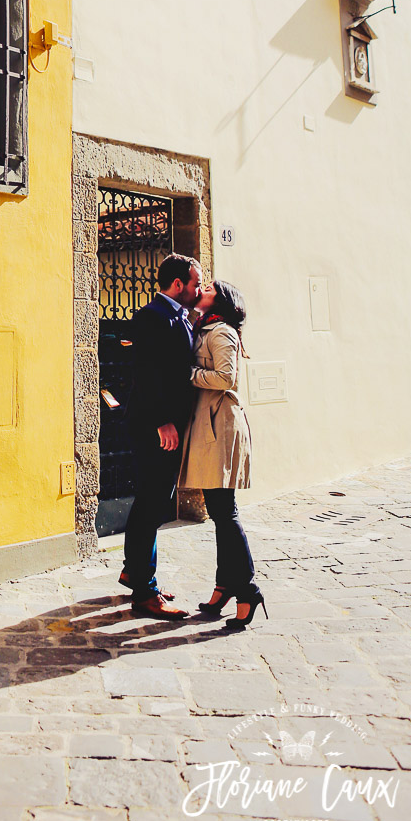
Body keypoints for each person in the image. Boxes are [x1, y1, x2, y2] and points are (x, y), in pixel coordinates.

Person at [180, 279, 266, 630]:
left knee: (224, 510)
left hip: (221, 427)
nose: (204, 288)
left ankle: (247, 590)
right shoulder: (205, 326)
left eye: (211, 287)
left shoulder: (221, 331)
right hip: (210, 427)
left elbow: (225, 377)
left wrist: (187, 374)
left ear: (222, 300)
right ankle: (224, 586)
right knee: (218, 510)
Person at [120, 252, 201, 619]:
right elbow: (147, 374)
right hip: (156, 427)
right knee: (152, 504)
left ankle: (135, 572)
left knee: (152, 502)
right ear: (179, 284)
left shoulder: (180, 317)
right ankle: (145, 593)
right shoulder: (152, 317)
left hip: (167, 425)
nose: (198, 289)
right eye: (195, 283)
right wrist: (163, 421)